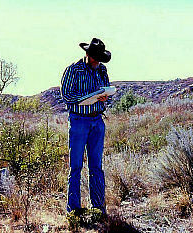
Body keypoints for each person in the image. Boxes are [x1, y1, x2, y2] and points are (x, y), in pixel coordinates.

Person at [61, 38, 111, 216]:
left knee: (96, 166)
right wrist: (87, 97)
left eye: (100, 59)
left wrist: (105, 97)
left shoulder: (102, 70)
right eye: (96, 58)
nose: (98, 62)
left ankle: (98, 208)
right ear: (88, 55)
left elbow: (106, 90)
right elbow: (67, 96)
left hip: (97, 121)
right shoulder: (73, 70)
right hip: (79, 121)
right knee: (75, 167)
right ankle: (74, 211)